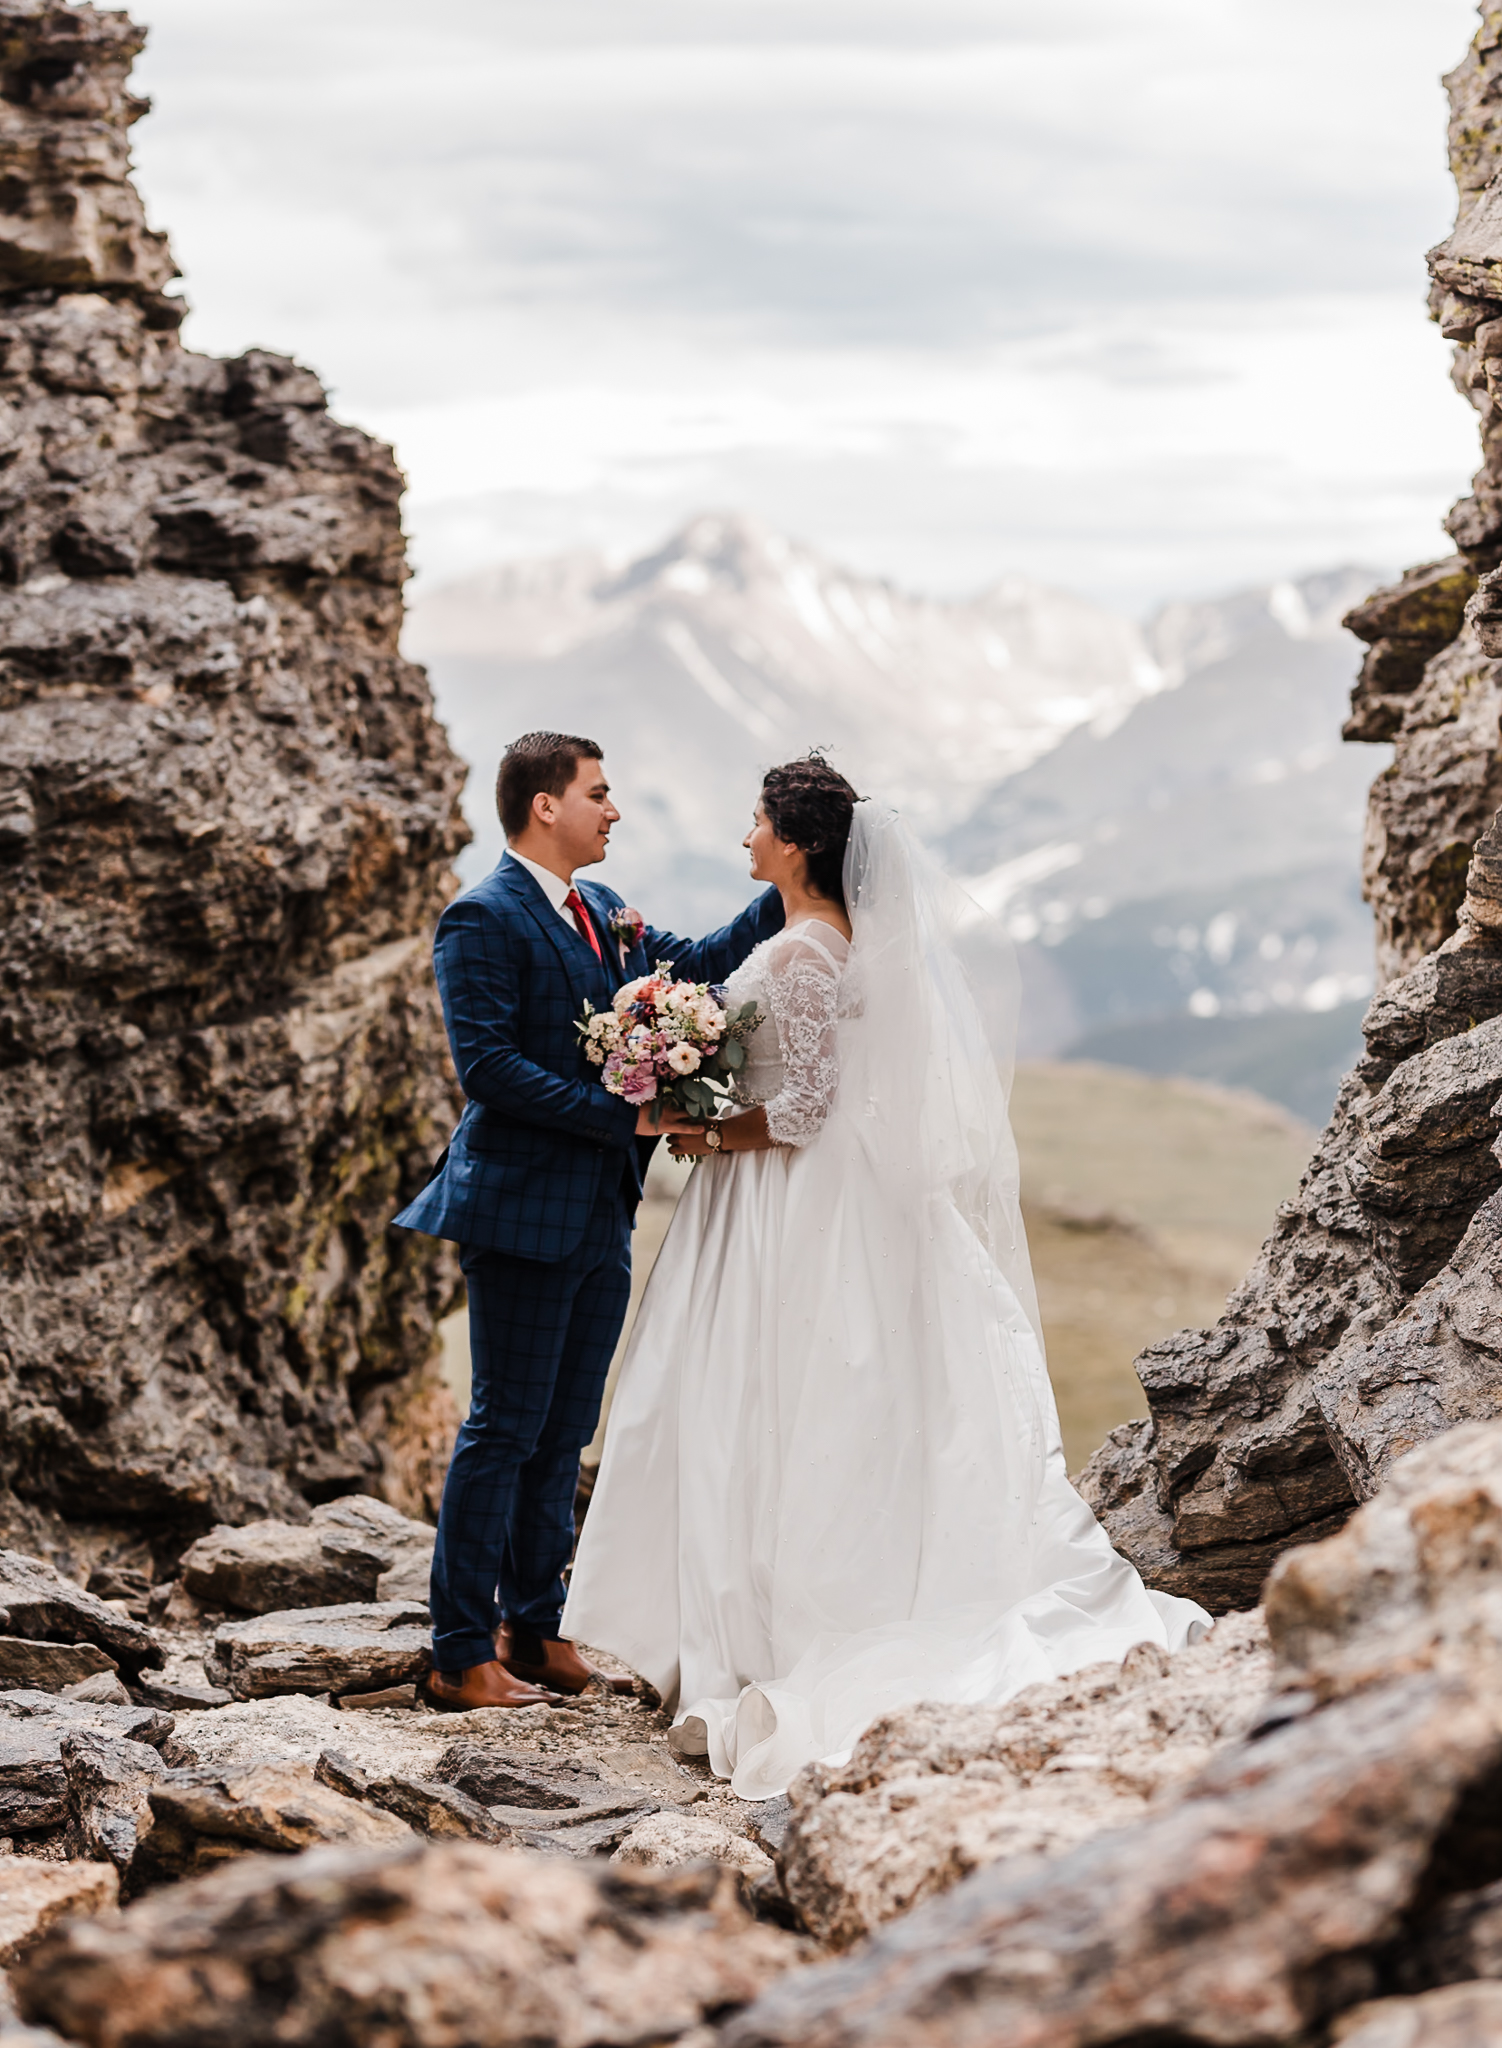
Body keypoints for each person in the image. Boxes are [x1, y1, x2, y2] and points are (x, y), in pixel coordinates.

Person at [563, 754, 1210, 1797]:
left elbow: (806, 1110)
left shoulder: (805, 955)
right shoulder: (823, 944)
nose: (745, 837)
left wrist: (696, 1122)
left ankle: (761, 1621)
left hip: (790, 1204)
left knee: (775, 1399)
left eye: (756, 821)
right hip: (798, 1198)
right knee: (786, 1397)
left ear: (796, 841)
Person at [394, 731, 784, 1711]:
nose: (612, 810)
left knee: (564, 1431)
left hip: (599, 1208)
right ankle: (455, 1651)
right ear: (543, 806)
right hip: (519, 1208)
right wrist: (629, 1113)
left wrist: (796, 880)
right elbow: (486, 1067)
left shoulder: (605, 909)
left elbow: (687, 971)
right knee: (503, 1426)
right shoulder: (479, 917)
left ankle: (534, 1626)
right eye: (598, 793)